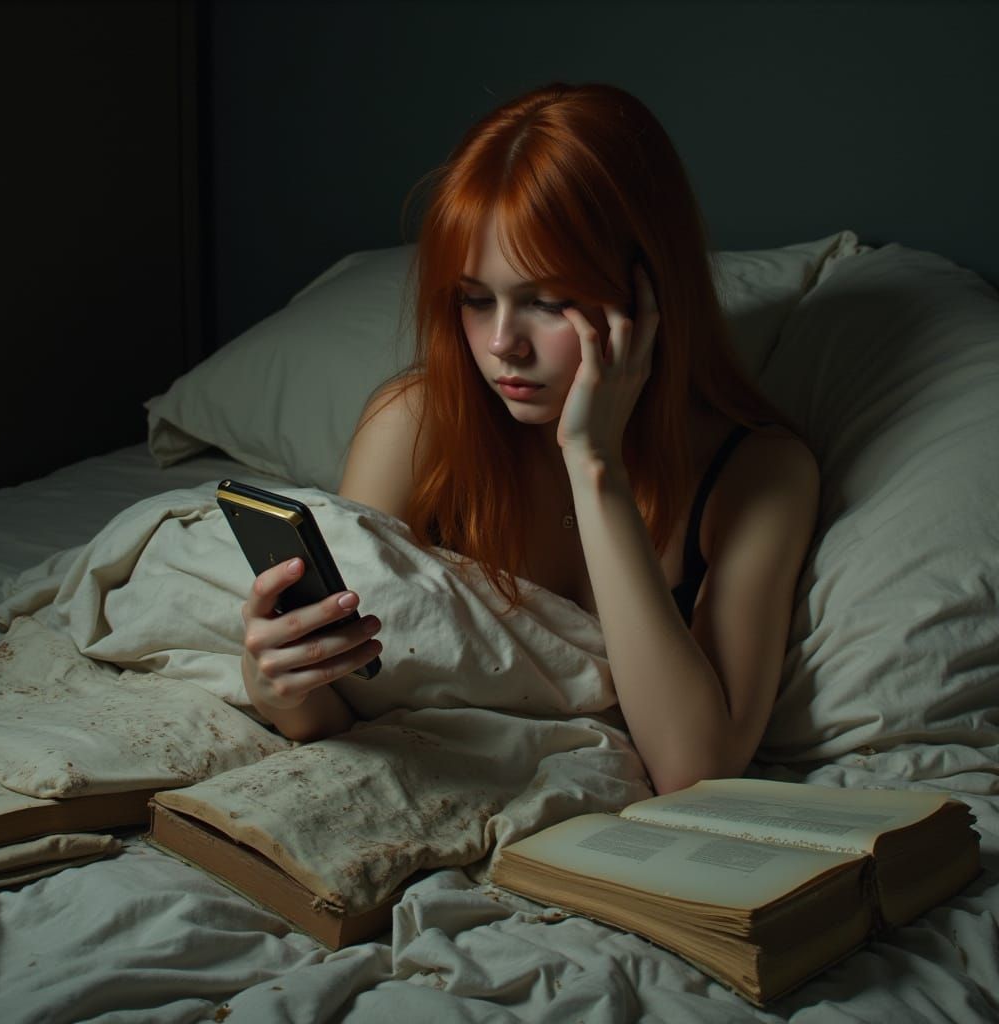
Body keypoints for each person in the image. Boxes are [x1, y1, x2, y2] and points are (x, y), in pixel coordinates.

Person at [238, 82, 819, 794]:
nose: (502, 344)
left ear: (649, 293)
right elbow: (348, 716)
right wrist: (278, 687)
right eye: (476, 300)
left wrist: (594, 463)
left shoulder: (758, 476)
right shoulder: (413, 432)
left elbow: (692, 768)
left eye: (547, 302)